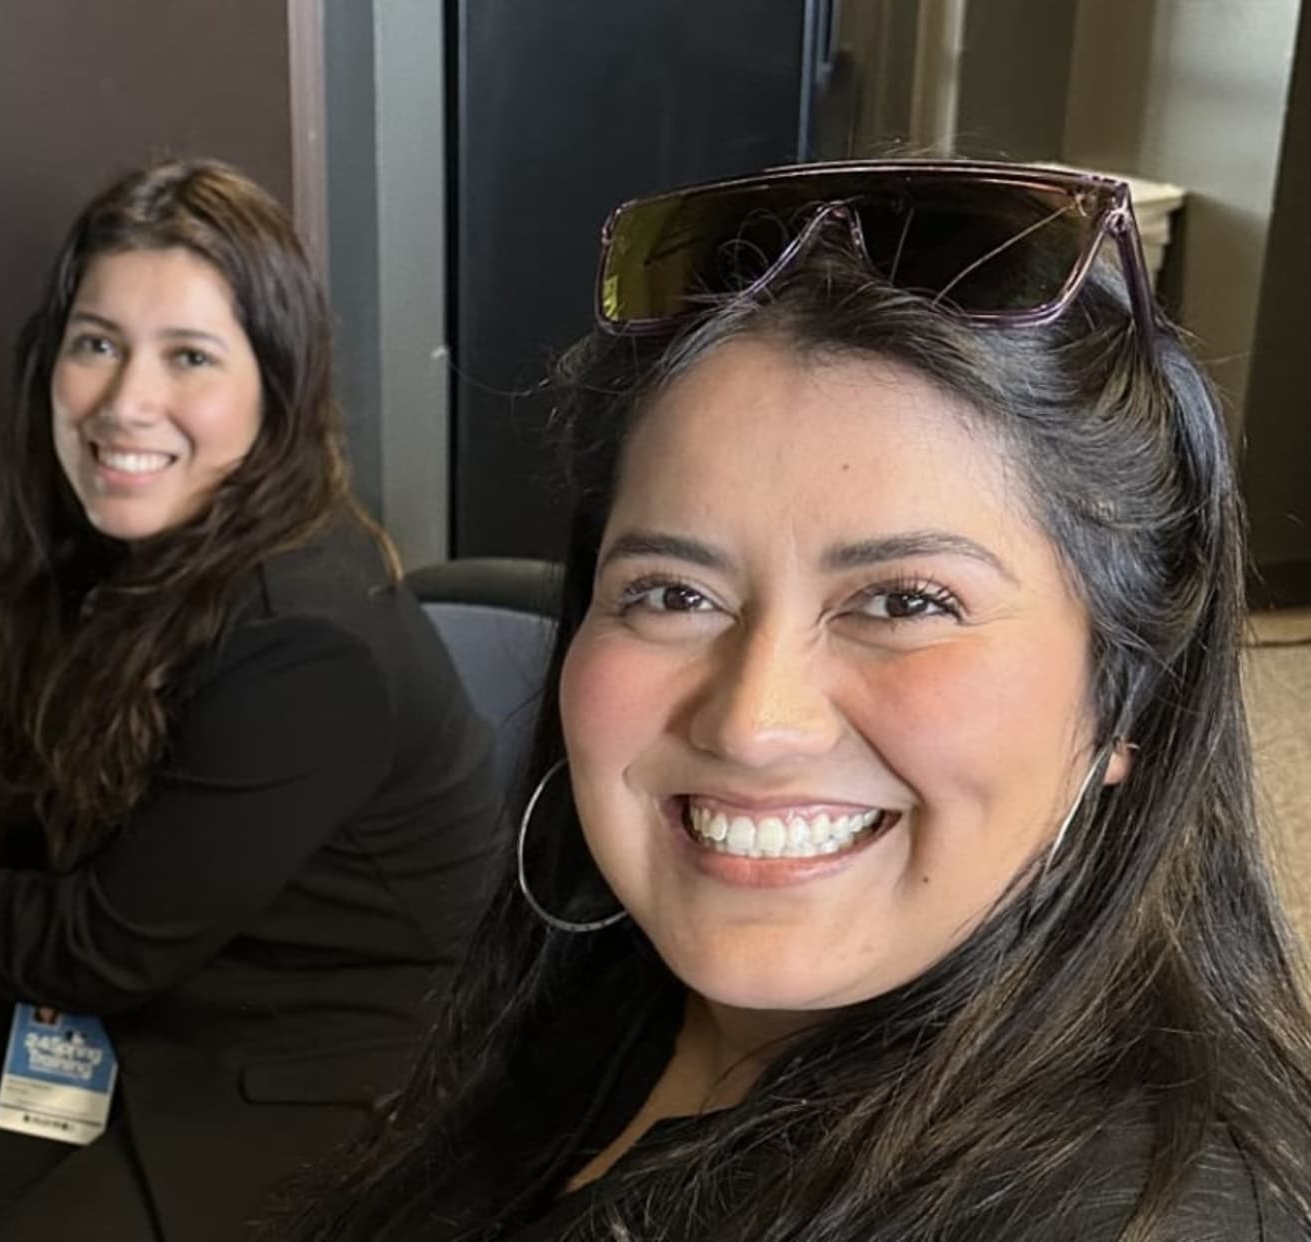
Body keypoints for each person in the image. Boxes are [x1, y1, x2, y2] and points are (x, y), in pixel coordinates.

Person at [282, 161, 1311, 1240]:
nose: (751, 722)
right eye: (673, 592)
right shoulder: (610, 988)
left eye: (907, 600)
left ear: (1128, 689)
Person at [0, 159, 502, 1240]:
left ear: (276, 386)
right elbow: (143, 746)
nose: (124, 403)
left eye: (190, 357)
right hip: (182, 1011)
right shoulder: (149, 541)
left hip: (332, 1073)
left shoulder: (306, 637)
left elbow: (102, 945)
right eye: (98, 343)